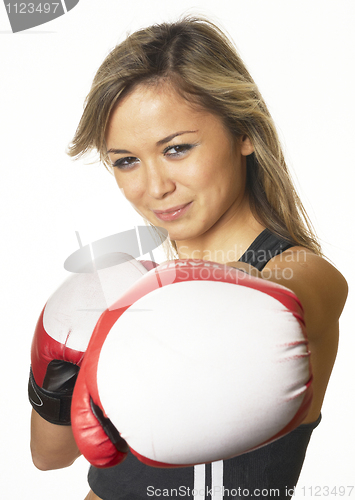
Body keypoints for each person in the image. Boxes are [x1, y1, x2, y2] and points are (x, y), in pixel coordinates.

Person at [30, 16, 348, 500]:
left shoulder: (300, 275)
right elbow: (49, 456)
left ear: (244, 133)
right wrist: (54, 369)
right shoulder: (130, 294)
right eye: (126, 161)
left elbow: (286, 295)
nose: (155, 187)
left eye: (177, 149)